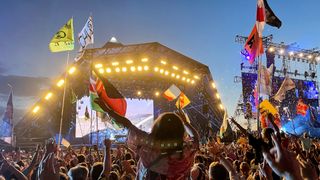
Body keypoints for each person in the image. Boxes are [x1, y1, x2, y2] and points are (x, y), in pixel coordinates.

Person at [95, 99, 200, 179]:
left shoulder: (150, 148)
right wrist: (185, 122)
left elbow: (126, 124)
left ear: (158, 127)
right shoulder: (187, 151)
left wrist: (107, 110)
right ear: (180, 130)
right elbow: (195, 138)